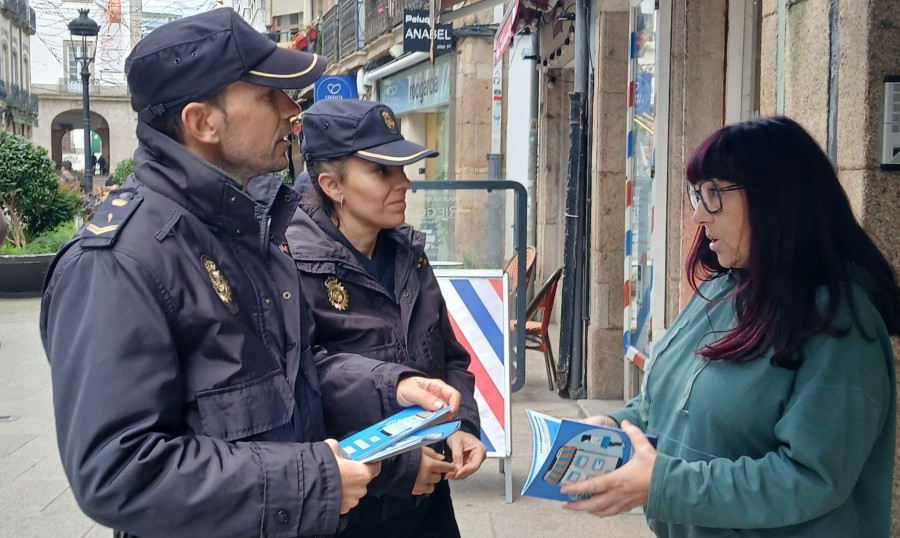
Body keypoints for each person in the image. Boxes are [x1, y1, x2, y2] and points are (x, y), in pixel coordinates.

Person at [40, 10, 462, 538]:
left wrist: (389, 388)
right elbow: (118, 470)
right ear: (202, 123)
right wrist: (311, 480)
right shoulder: (118, 260)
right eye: (267, 95)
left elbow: (299, 377)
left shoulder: (248, 232)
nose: (291, 111)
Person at [561, 117, 900, 536]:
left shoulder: (839, 326)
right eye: (697, 195)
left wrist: (667, 484)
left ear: (775, 198)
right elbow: (664, 404)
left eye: (715, 194)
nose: (700, 215)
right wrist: (616, 426)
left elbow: (811, 478)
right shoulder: (724, 290)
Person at [285, 99, 487, 538]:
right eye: (382, 171)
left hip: (428, 504)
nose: (404, 183)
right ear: (331, 185)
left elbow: (448, 357)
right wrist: (398, 468)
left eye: (403, 169)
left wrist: (461, 427)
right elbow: (304, 396)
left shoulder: (408, 256)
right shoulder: (289, 265)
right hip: (350, 512)